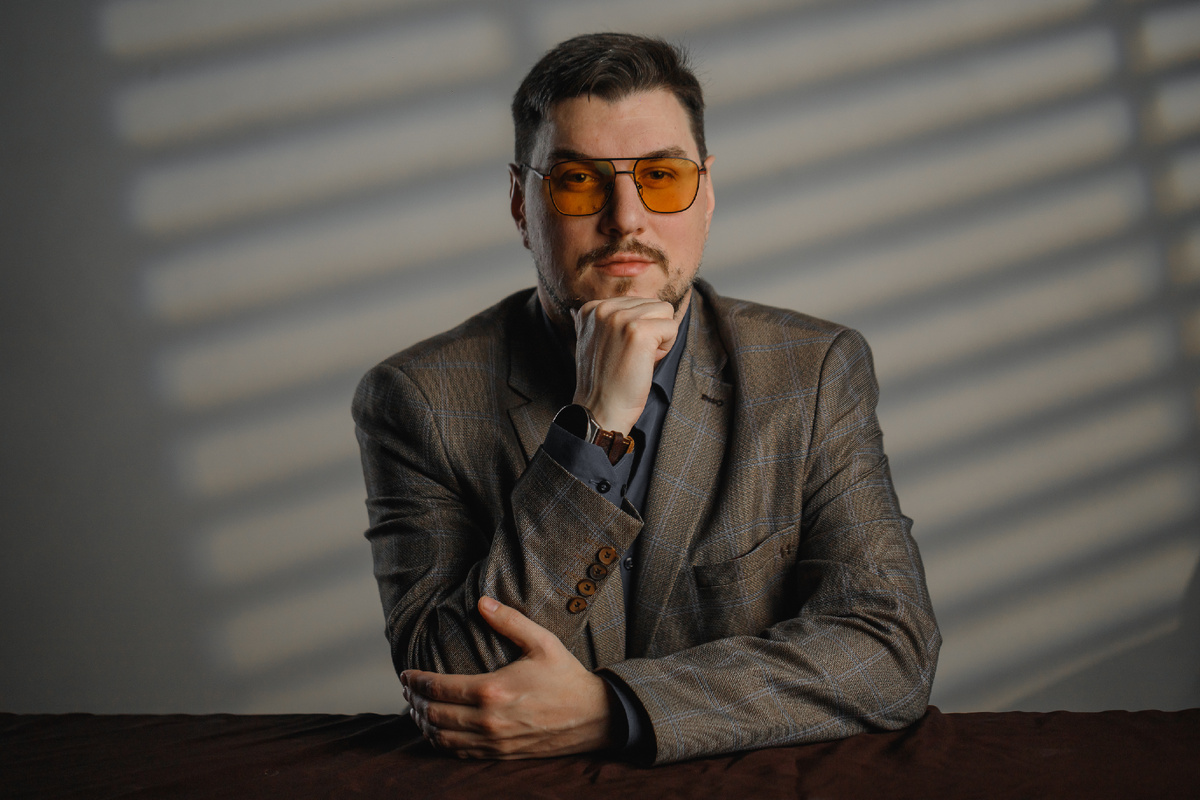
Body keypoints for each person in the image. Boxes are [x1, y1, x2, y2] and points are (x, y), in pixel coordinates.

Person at [352, 32, 940, 765]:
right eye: (578, 181)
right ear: (520, 203)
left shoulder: (813, 373)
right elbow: (454, 681)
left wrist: (615, 710)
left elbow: (889, 649)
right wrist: (593, 428)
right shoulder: (418, 400)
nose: (626, 218)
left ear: (707, 192)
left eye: (661, 176)